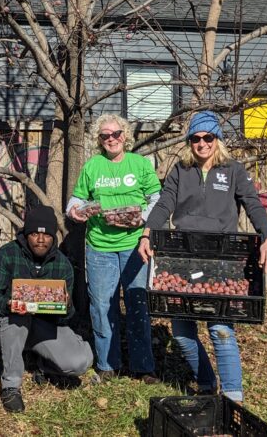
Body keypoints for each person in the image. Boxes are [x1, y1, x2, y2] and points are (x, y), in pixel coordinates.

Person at [138, 110, 267, 402]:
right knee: (182, 332)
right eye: (196, 138)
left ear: (217, 139)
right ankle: (207, 384)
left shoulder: (233, 170)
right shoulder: (180, 170)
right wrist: (148, 233)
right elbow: (163, 205)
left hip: (222, 261)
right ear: (190, 142)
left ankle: (234, 400)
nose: (202, 143)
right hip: (183, 258)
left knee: (220, 328)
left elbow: (254, 205)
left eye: (208, 137)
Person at [67, 114, 161, 383]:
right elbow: (77, 199)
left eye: (116, 134)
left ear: (125, 135)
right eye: (105, 136)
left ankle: (143, 367)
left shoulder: (139, 164)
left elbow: (157, 197)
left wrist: (142, 218)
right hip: (99, 246)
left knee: (137, 303)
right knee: (102, 306)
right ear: (99, 140)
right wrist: (74, 211)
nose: (111, 139)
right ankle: (108, 365)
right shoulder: (92, 166)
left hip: (134, 246)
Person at [0, 204, 93, 413]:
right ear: (26, 234)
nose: (40, 240)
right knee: (18, 318)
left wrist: (66, 306)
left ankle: (41, 363)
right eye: (34, 234)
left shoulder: (62, 265)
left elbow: (66, 318)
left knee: (81, 361)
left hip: (43, 324)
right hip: (7, 322)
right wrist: (7, 304)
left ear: (53, 237)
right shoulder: (7, 254)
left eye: (46, 235)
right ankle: (11, 386)